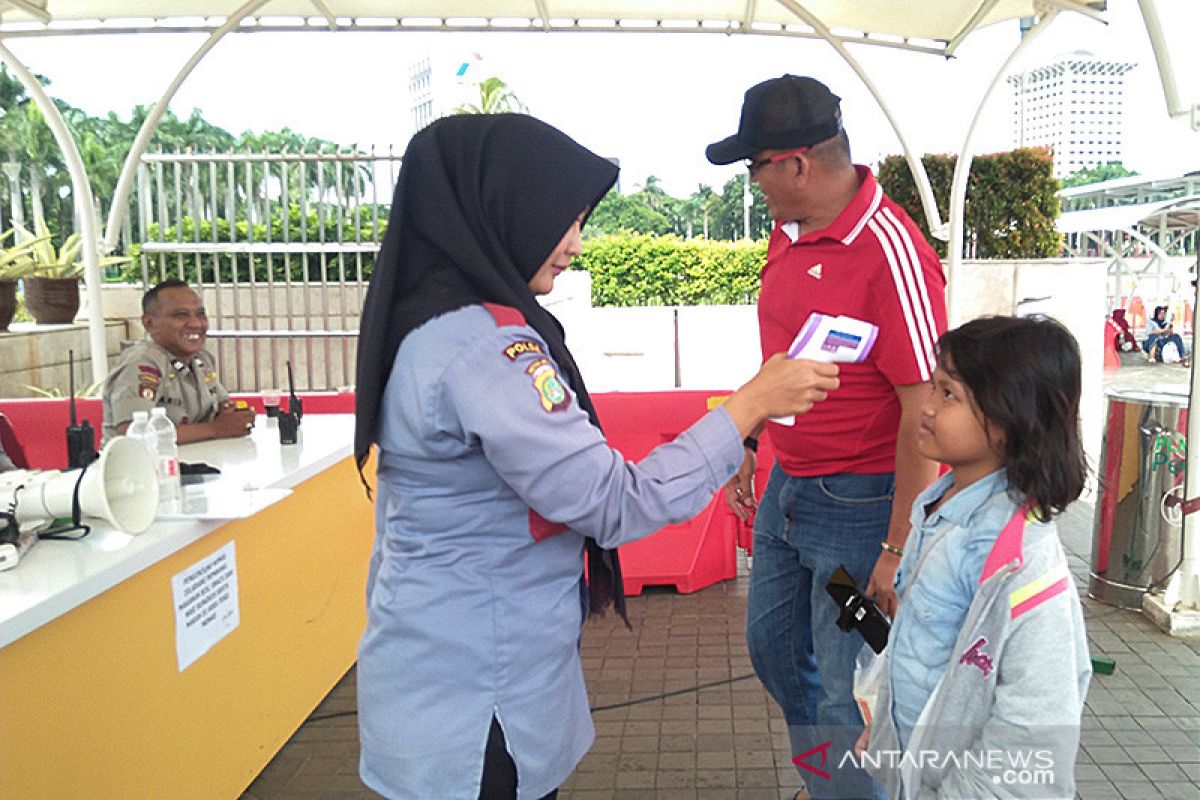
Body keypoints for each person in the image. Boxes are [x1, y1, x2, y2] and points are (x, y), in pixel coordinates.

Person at [352, 114, 840, 800]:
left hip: (445, 676)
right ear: (505, 208)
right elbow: (617, 501)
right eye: (566, 220)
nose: (575, 246)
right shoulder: (484, 348)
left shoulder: (433, 322)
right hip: (478, 705)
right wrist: (749, 407)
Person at [706, 75, 946, 799]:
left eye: (754, 168)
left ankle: (843, 786)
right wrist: (750, 437)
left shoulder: (891, 251)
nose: (753, 185)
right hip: (788, 496)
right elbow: (787, 353)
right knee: (776, 653)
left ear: (796, 165)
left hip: (858, 514)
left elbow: (928, 411)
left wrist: (897, 546)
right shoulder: (789, 239)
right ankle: (829, 781)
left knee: (844, 695)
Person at [859, 315, 1091, 799]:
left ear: (1008, 422)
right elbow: (923, 649)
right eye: (933, 387)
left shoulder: (1017, 558)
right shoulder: (939, 505)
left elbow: (1033, 729)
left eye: (948, 394)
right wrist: (888, 732)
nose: (925, 406)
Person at [101, 279, 254, 444]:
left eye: (200, 314)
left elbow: (224, 407)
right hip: (139, 467)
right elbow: (133, 433)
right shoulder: (143, 363)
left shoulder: (201, 359)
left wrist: (232, 416)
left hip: (194, 462)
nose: (196, 324)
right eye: (181, 316)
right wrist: (215, 429)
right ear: (149, 323)